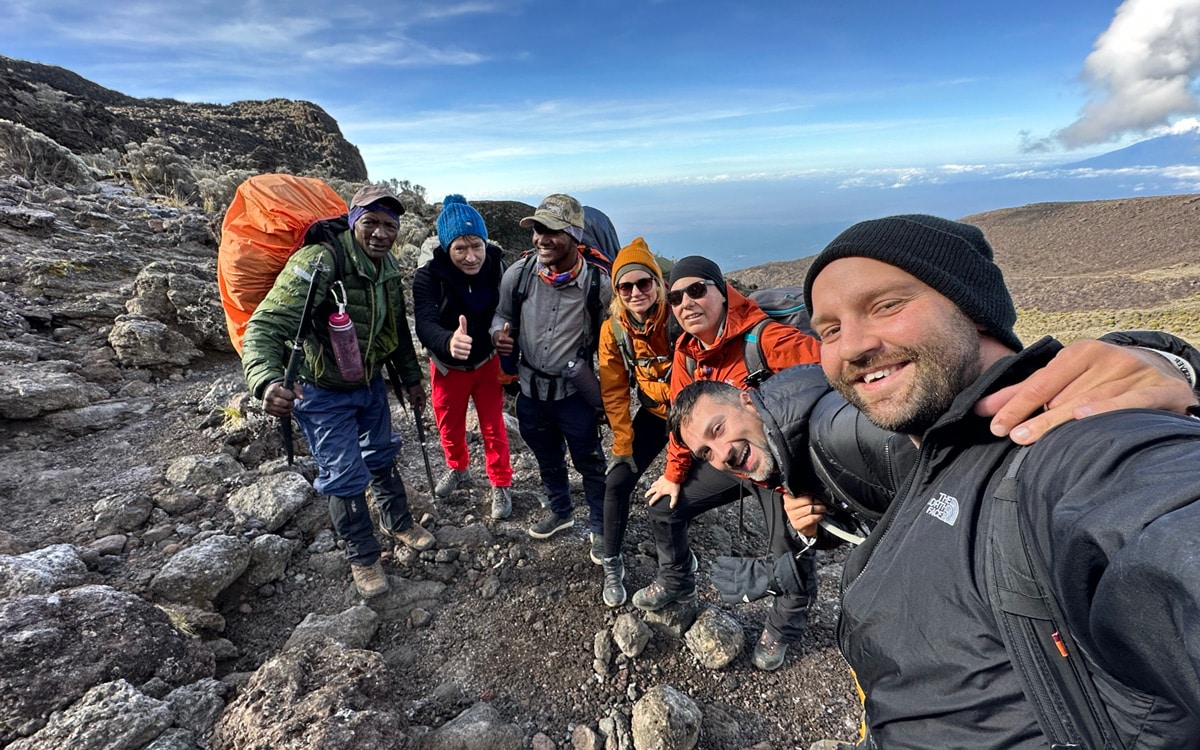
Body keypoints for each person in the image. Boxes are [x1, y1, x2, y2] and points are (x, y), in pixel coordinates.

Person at [672, 213, 1200, 748]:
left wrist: (1165, 364)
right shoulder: (928, 451)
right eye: (829, 329)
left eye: (886, 305)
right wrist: (824, 521)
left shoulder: (1071, 455)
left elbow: (1158, 520)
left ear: (972, 308)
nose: (852, 346)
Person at [242, 184, 434, 600]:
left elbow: (396, 329)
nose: (381, 233)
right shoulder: (320, 260)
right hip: (322, 390)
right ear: (352, 222)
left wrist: (411, 378)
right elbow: (265, 325)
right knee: (344, 474)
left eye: (389, 225)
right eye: (371, 223)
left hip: (369, 385)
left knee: (382, 452)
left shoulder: (386, 267)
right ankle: (363, 556)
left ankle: (397, 521)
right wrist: (266, 380)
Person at [636, 255, 823, 671]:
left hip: (782, 466)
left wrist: (810, 481)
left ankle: (783, 627)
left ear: (722, 292)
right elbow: (685, 428)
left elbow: (834, 379)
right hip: (727, 460)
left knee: (790, 547)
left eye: (697, 290)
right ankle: (676, 578)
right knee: (664, 508)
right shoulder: (686, 355)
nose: (685, 302)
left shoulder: (766, 340)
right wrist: (672, 475)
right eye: (676, 297)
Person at [490, 194, 611, 545]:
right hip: (530, 391)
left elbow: (613, 341)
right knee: (546, 455)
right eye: (538, 229)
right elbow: (502, 315)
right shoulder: (520, 273)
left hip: (575, 393)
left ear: (574, 236)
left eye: (552, 230)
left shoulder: (597, 285)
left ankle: (600, 526)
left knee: (589, 461)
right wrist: (497, 334)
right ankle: (560, 511)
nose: (542, 238)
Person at [413, 195, 514, 520]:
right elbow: (425, 323)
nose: (471, 257)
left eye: (477, 246)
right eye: (460, 248)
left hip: (487, 364)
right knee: (448, 423)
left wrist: (501, 334)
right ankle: (458, 467)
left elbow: (508, 310)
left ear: (485, 243)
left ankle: (500, 482)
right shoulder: (429, 276)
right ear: (446, 247)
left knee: (493, 425)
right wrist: (447, 341)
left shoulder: (497, 267)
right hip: (447, 367)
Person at [596, 237, 674, 606]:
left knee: (679, 492)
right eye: (625, 286)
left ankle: (676, 569)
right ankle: (611, 561)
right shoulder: (614, 330)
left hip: (697, 418)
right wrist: (623, 445)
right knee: (617, 482)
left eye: (644, 283)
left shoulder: (680, 314)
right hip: (656, 414)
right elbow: (613, 391)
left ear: (658, 283)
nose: (635, 292)